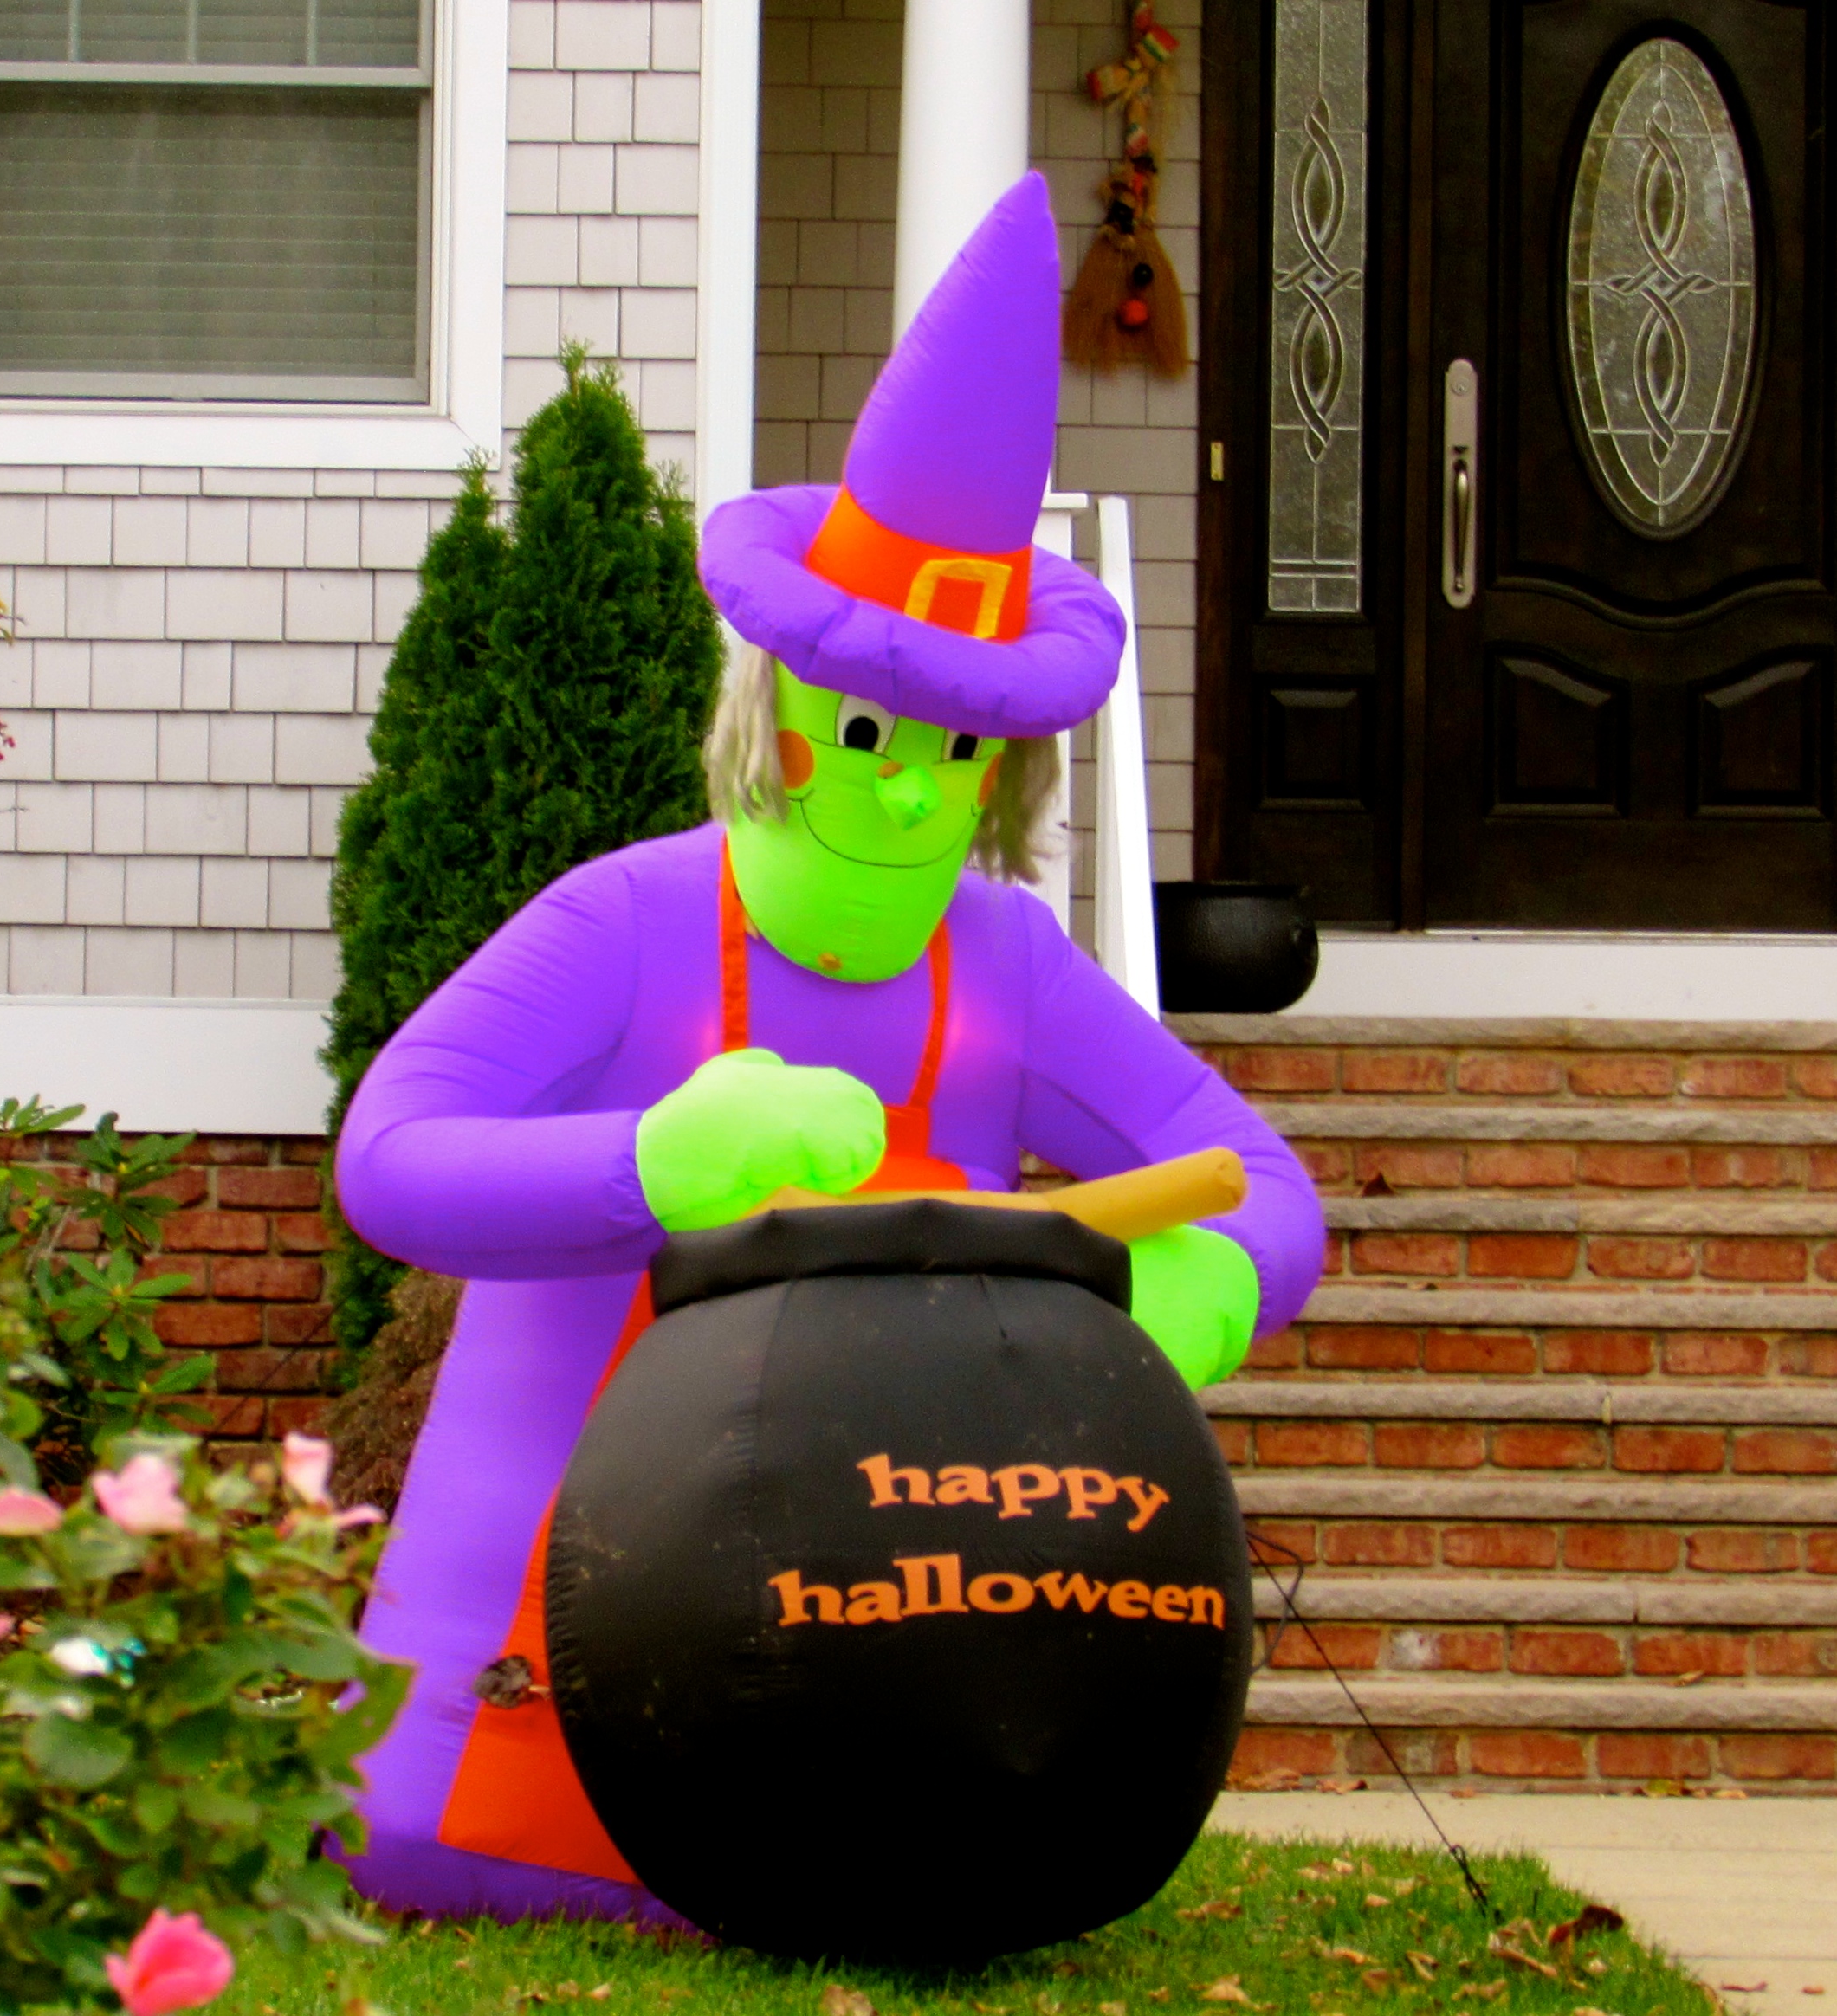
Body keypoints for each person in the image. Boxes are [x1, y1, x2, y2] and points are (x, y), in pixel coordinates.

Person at [333, 173, 1324, 1923]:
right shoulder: (623, 922)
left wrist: (1199, 1285)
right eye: (868, 731)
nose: (908, 788)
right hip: (557, 1600)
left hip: (883, 1610)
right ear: (775, 718)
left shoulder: (1005, 964)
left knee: (878, 1836)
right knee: (479, 1820)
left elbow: (1261, 1185)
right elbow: (391, 1157)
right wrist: (655, 1159)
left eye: (955, 749)